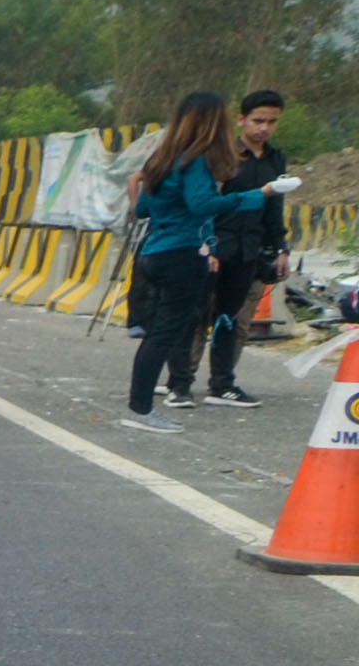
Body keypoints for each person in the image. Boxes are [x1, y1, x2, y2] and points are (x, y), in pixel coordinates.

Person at [116, 90, 293, 430]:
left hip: (153, 252)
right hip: (182, 254)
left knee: (162, 332)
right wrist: (260, 195)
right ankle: (142, 409)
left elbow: (141, 210)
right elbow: (202, 205)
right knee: (167, 334)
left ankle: (157, 396)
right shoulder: (195, 161)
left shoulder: (162, 159)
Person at [204, 89, 291, 407]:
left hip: (250, 250)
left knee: (235, 322)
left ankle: (222, 383)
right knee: (198, 317)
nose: (264, 128)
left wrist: (281, 248)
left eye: (272, 122)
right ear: (241, 120)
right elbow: (206, 204)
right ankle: (179, 381)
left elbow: (275, 208)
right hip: (216, 247)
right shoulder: (221, 155)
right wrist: (206, 244)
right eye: (258, 120)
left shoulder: (276, 159)